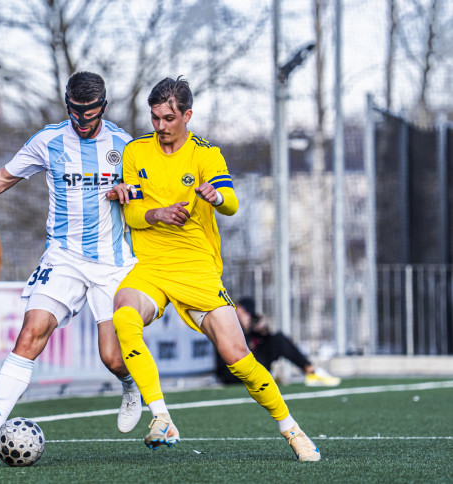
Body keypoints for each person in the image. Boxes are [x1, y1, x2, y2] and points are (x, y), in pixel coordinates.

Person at [0, 72, 142, 462]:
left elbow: (150, 194)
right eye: (75, 113)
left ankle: (130, 386)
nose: (81, 121)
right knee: (30, 333)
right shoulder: (48, 141)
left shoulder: (126, 146)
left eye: (89, 114)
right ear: (67, 105)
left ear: (103, 107)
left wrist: (131, 191)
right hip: (63, 258)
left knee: (112, 357)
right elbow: (0, 179)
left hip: (112, 264)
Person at [108, 77, 321, 461]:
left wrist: (217, 196)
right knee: (124, 315)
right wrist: (157, 214)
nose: (160, 126)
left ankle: (292, 429)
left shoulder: (206, 154)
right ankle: (161, 417)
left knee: (237, 356)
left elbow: (232, 204)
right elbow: (133, 214)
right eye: (155, 118)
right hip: (152, 266)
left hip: (197, 269)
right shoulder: (136, 151)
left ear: (187, 115)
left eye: (169, 118)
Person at [217, 296, 341, 387]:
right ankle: (270, 374)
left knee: (279, 339)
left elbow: (267, 342)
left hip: (254, 364)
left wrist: (263, 329)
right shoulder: (227, 320)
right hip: (232, 371)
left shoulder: (253, 328)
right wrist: (242, 327)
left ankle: (311, 370)